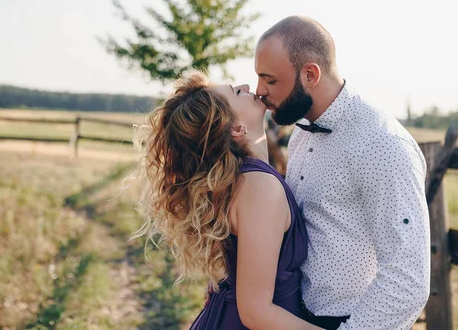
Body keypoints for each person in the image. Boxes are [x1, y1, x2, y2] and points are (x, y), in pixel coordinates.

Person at [254, 16, 431, 330]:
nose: (260, 91)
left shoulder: (382, 144)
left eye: (270, 80)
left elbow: (407, 278)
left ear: (310, 74)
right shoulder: (300, 135)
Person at [135, 73, 322, 329]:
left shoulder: (242, 179)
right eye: (236, 92)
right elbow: (255, 311)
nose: (247, 86)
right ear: (236, 128)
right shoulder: (259, 187)